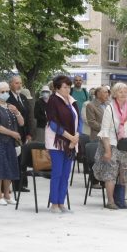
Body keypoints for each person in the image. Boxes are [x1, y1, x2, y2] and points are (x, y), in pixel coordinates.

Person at [94, 82, 127, 209]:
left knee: (125, 173)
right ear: (115, 94)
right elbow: (104, 131)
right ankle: (110, 201)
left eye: (126, 92)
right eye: (121, 92)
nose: (124, 94)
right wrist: (108, 151)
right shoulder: (109, 108)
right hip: (112, 144)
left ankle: (121, 200)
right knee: (111, 173)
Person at [45, 75, 79, 214]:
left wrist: (76, 136)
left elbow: (79, 121)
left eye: (69, 86)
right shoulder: (53, 101)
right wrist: (70, 137)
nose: (68, 89)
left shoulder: (72, 100)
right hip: (57, 142)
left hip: (71, 142)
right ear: (57, 88)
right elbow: (53, 124)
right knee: (57, 173)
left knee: (66, 175)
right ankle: (54, 203)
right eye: (65, 87)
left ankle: (61, 202)